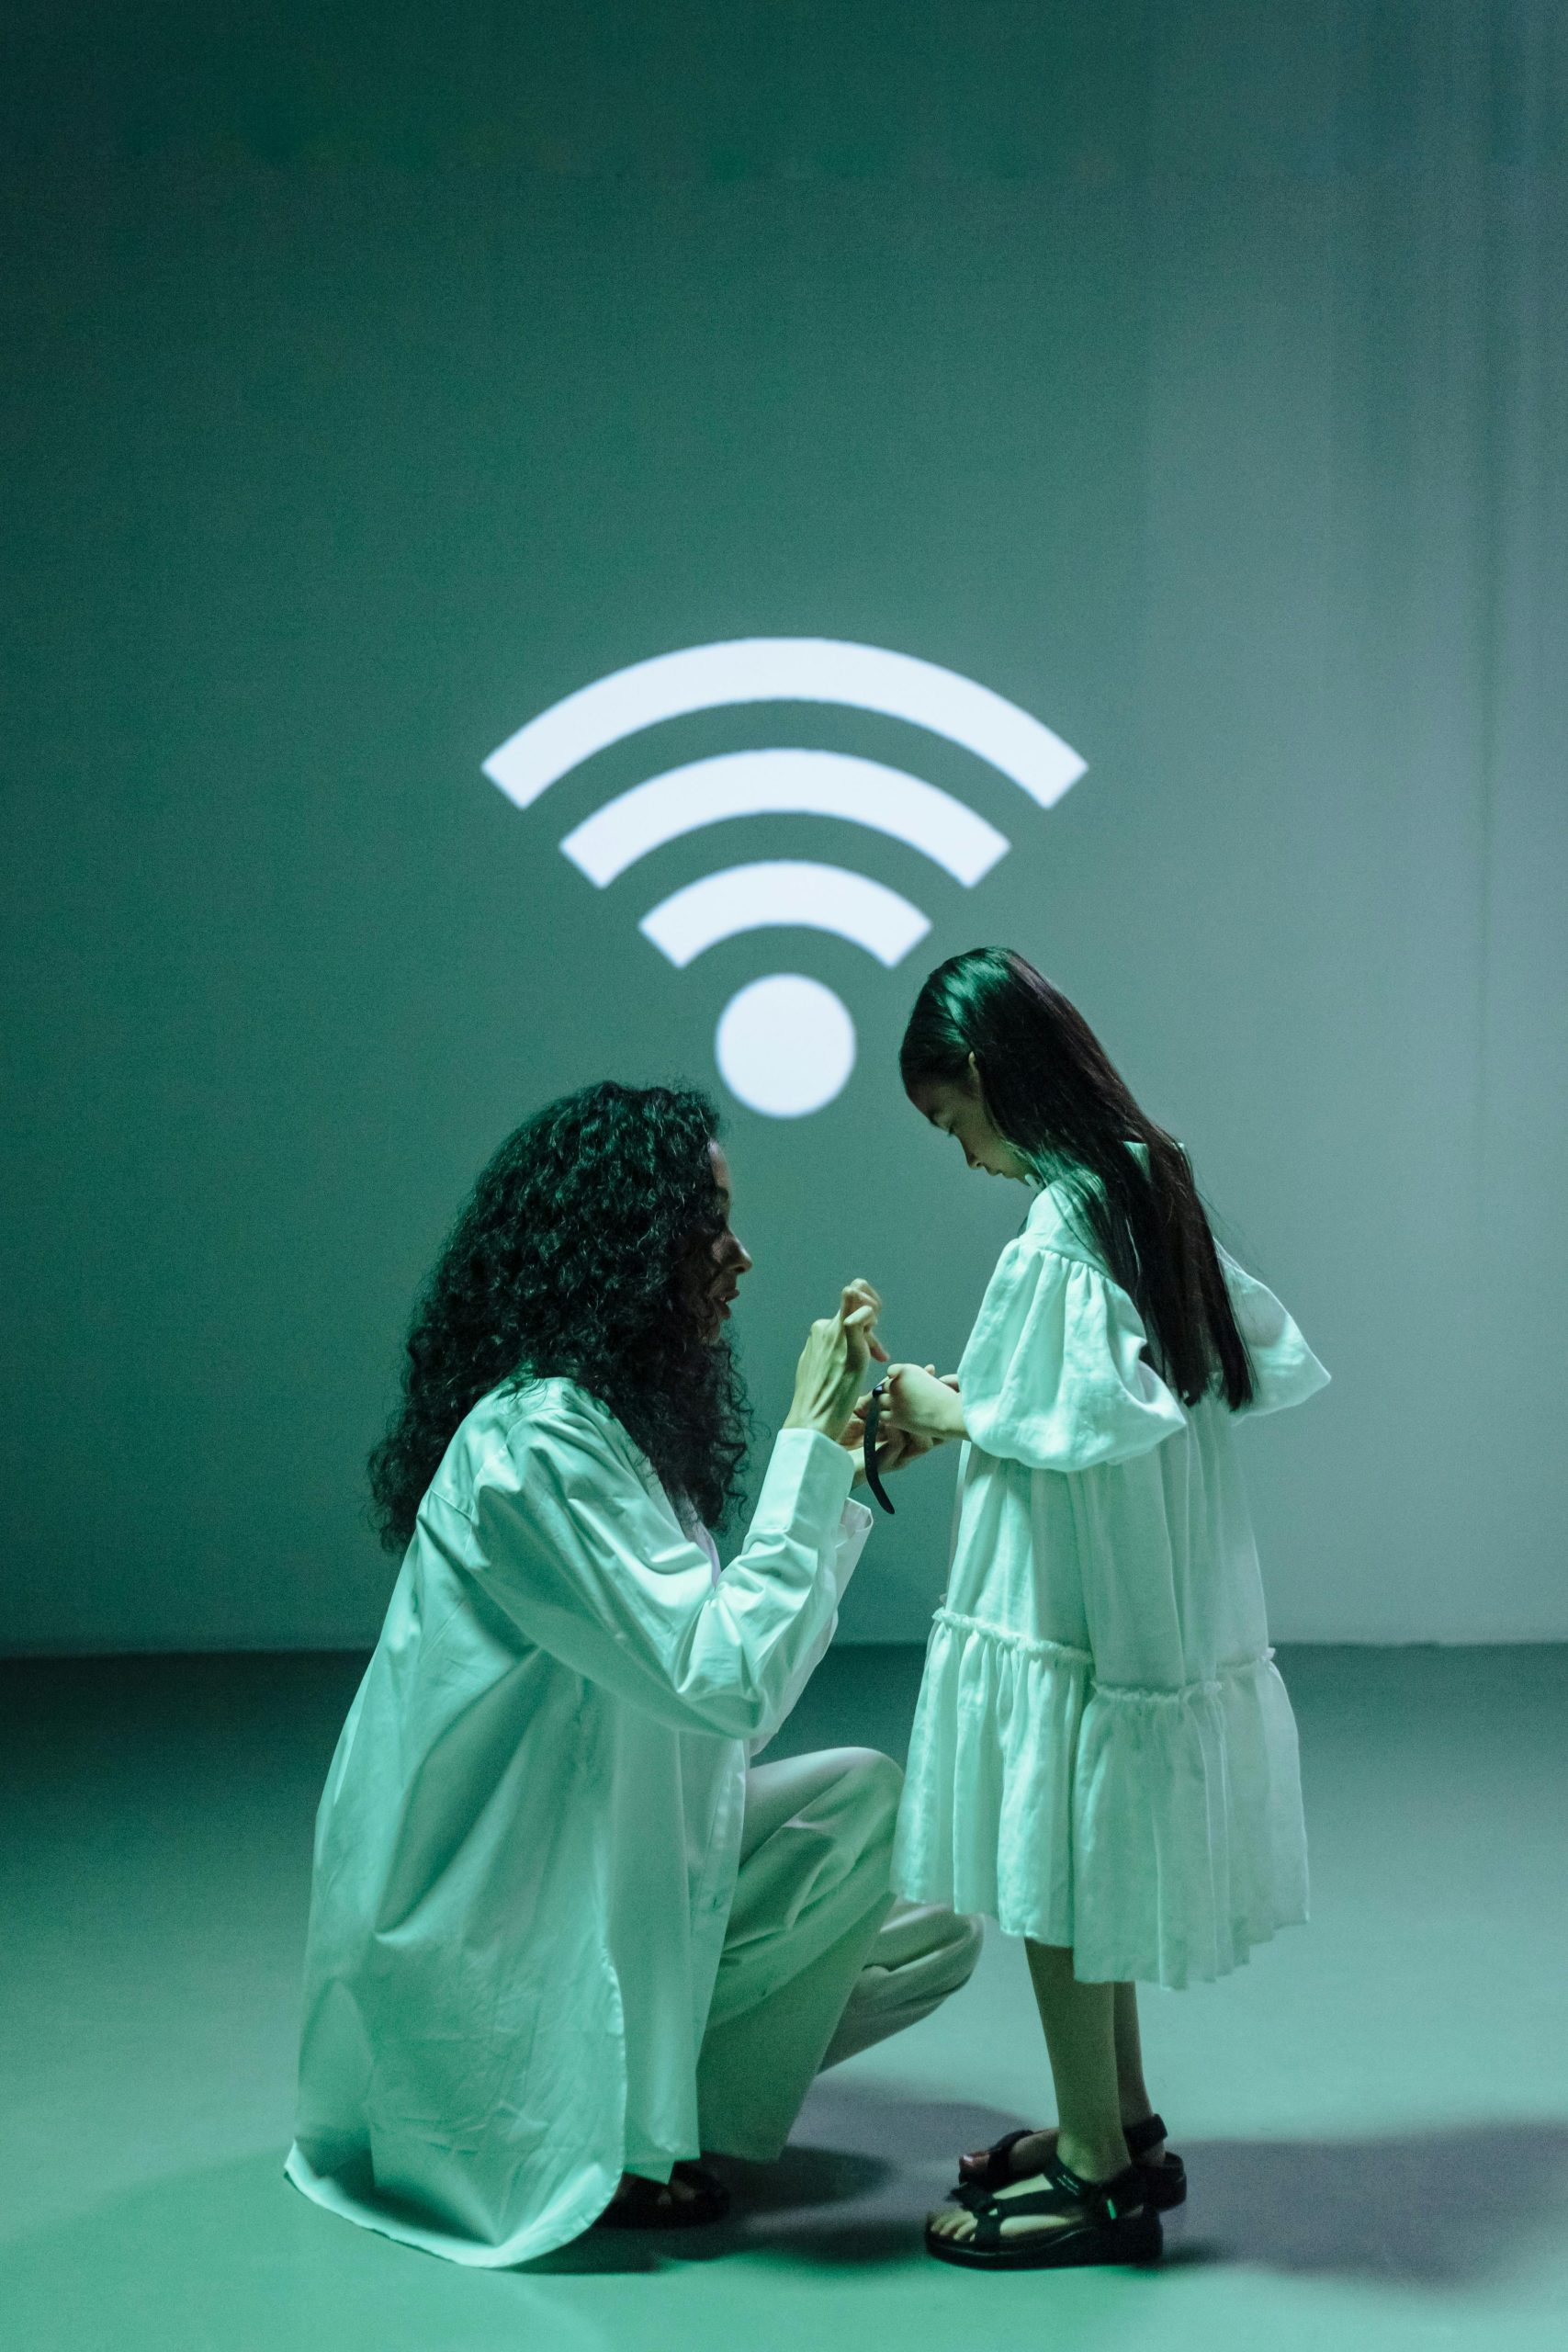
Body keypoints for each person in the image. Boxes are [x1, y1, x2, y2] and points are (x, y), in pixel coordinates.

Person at [285, 1081, 980, 2267]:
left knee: (908, 1879)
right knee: (849, 1874)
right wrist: (811, 1445)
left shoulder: (606, 1428)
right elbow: (725, 1684)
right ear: (627, 1246)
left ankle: (653, 2116)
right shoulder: (535, 1441)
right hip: (493, 1919)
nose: (741, 1255)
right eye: (709, 1223)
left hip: (591, 1852)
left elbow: (717, 1718)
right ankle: (615, 2140)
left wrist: (848, 1477)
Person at [871, 949, 1329, 2272]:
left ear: (991, 1078)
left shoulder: (1061, 1223)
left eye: (953, 1117)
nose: (960, 1152)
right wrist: (986, 1403)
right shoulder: (1146, 1176)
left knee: (1057, 1856)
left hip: (1072, 1594)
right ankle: (1112, 2118)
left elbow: (1052, 1418)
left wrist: (929, 1405)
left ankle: (1092, 2167)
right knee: (1088, 1841)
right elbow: (1128, 1395)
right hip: (1144, 1584)